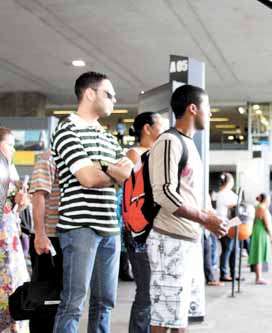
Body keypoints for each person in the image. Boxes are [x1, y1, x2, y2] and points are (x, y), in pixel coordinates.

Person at [51, 71, 134, 333]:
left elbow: (129, 176)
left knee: (105, 302)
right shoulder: (66, 130)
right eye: (108, 94)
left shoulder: (109, 137)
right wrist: (113, 171)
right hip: (79, 227)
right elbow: (87, 178)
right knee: (73, 302)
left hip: (109, 227)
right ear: (89, 93)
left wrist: (103, 167)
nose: (114, 100)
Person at [147, 84, 227, 333]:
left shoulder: (189, 145)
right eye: (208, 108)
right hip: (168, 241)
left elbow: (194, 195)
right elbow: (165, 193)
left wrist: (212, 219)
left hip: (189, 241)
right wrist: (205, 218)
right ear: (193, 108)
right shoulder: (169, 141)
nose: (211, 114)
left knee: (181, 316)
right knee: (164, 316)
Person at [124, 111, 168, 333]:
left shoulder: (162, 154)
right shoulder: (134, 154)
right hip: (140, 231)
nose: (165, 128)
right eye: (161, 124)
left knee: (155, 289)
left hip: (159, 230)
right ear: (147, 129)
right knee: (146, 290)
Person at [28, 150, 63, 333]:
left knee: (61, 296)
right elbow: (38, 195)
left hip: (67, 237)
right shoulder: (48, 157)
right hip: (49, 237)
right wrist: (41, 235)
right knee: (44, 296)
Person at [0, 127, 30, 333]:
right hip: (4, 235)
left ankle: (14, 324)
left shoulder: (10, 167)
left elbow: (16, 206)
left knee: (15, 277)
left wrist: (21, 201)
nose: (13, 149)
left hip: (10, 234)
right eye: (9, 144)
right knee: (7, 279)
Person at [214, 172, 238, 282]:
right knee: (228, 250)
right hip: (227, 225)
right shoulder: (225, 194)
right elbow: (237, 202)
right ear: (229, 182)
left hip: (225, 224)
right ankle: (224, 274)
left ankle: (231, 273)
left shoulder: (220, 193)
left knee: (230, 250)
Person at [248, 193, 272, 285]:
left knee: (257, 253)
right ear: (266, 199)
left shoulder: (258, 206)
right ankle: (259, 278)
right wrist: (271, 234)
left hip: (257, 231)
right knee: (259, 254)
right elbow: (266, 223)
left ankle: (259, 277)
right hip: (261, 232)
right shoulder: (262, 208)